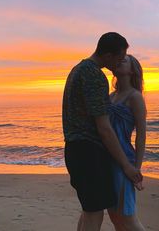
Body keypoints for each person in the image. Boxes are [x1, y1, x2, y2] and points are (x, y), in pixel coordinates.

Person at [62, 32, 143, 231]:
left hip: (75, 149)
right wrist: (126, 166)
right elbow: (104, 129)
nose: (118, 63)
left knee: (90, 210)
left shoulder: (77, 70)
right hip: (89, 153)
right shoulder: (96, 77)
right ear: (108, 55)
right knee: (94, 212)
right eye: (119, 57)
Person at [107, 54, 147, 231]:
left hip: (124, 161)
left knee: (128, 217)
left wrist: (136, 169)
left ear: (132, 70)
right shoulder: (110, 96)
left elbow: (141, 136)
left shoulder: (135, 97)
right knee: (115, 217)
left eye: (123, 60)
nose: (119, 61)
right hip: (107, 158)